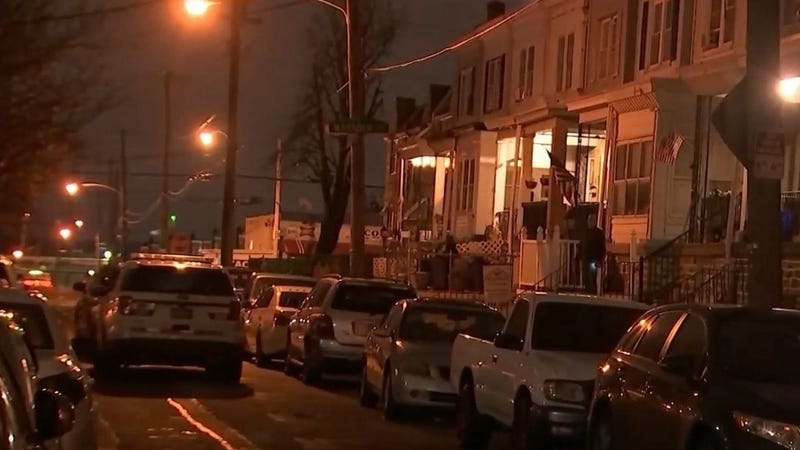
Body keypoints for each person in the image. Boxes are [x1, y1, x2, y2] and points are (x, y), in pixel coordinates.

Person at [580, 214, 606, 294]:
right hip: (585, 259)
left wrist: (600, 260)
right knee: (586, 279)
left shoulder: (599, 233)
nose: (590, 222)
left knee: (592, 279)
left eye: (592, 220)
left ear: (595, 221)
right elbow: (581, 245)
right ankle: (587, 294)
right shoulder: (585, 232)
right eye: (589, 220)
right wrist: (578, 256)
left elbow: (602, 247)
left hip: (593, 260)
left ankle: (593, 295)